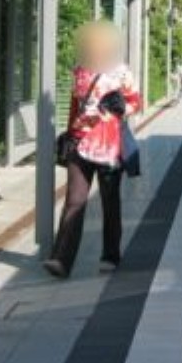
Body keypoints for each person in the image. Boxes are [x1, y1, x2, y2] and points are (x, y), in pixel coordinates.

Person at [45, 21, 141, 278]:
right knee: (74, 201)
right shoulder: (80, 70)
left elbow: (136, 103)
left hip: (110, 148)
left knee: (110, 202)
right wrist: (70, 134)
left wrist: (121, 108)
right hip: (81, 145)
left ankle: (110, 255)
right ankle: (61, 260)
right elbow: (75, 105)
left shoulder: (122, 73)